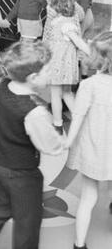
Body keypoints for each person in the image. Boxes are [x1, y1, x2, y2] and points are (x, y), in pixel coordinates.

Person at [0, 40, 65, 249]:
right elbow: (50, 146)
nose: (51, 74)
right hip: (23, 174)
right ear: (33, 78)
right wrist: (64, 141)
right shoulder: (34, 111)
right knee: (28, 220)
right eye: (48, 71)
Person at [65, 31, 112, 249]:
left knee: (88, 197)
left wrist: (67, 143)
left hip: (94, 148)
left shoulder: (89, 85)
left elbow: (77, 118)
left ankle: (79, 244)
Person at [44, 0, 90, 133]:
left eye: (49, 4)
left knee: (56, 94)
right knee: (67, 93)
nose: (48, 8)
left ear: (56, 4)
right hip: (64, 64)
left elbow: (78, 42)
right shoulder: (64, 20)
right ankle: (81, 121)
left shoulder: (64, 24)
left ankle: (58, 124)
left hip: (59, 64)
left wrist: (93, 53)